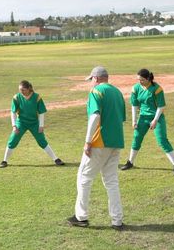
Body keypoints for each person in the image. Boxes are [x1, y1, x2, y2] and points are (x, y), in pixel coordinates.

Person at [68, 66, 126, 231]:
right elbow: (121, 118)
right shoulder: (118, 92)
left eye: (91, 80)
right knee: (111, 181)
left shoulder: (96, 92)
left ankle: (81, 217)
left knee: (84, 177)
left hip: (99, 142)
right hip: (116, 141)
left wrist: (87, 141)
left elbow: (95, 116)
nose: (91, 83)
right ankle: (117, 220)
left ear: (97, 78)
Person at [121, 69, 174, 176]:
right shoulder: (136, 88)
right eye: (138, 79)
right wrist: (134, 120)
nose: (139, 82)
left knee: (162, 140)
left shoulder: (157, 89)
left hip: (157, 118)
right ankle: (130, 162)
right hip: (143, 118)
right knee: (136, 138)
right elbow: (134, 105)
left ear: (148, 78)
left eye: (142, 80)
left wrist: (155, 120)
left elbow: (161, 106)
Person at [0, 80, 64, 168]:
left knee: (42, 141)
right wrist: (14, 126)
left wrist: (41, 125)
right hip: (21, 122)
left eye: (23, 90)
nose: (21, 92)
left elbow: (41, 112)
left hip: (34, 123)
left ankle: (56, 159)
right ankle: (4, 161)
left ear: (29, 89)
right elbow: (13, 112)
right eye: (20, 90)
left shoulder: (37, 97)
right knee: (13, 140)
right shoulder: (16, 97)